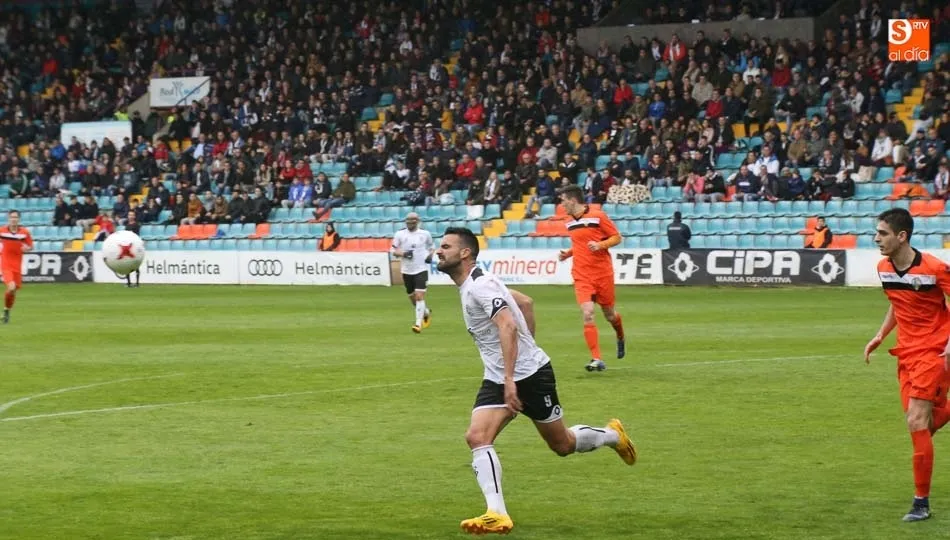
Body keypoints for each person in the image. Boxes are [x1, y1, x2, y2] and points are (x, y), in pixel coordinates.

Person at [435, 227, 637, 535]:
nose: (439, 251)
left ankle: (612, 435)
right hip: (502, 377)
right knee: (477, 436)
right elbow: (526, 303)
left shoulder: (480, 286)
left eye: (446, 246)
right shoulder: (478, 282)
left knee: (562, 444)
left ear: (465, 253)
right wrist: (516, 363)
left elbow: (507, 325)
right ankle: (496, 513)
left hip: (528, 376)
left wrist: (513, 376)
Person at [864, 208, 950, 522]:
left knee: (916, 421)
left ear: (902, 236)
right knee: (924, 424)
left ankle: (921, 503)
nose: (876, 239)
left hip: (935, 352)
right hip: (907, 353)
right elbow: (898, 305)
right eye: (876, 233)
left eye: (883, 233)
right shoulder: (883, 268)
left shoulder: (933, 267)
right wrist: (880, 335)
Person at [556, 185, 626, 372]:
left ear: (572, 200)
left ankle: (620, 335)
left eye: (563, 200)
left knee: (610, 315)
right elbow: (579, 245)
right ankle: (596, 358)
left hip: (602, 274)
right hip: (581, 274)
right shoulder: (569, 221)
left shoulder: (598, 216)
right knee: (587, 313)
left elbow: (617, 238)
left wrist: (600, 245)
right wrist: (568, 254)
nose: (561, 204)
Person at [391, 212, 435, 333]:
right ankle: (425, 312)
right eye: (408, 221)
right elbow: (393, 250)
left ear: (417, 221)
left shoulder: (425, 234)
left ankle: (418, 324)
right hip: (406, 270)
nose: (410, 223)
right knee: (412, 297)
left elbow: (432, 246)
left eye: (413, 221)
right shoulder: (400, 234)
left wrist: (430, 255)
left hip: (421, 269)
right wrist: (404, 254)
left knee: (419, 295)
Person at [0, 210, 34, 323]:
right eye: (11, 217)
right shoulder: (2, 230)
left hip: (17, 265)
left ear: (19, 219)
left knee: (13, 291)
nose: (13, 219)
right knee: (11, 286)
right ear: (8, 219)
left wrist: (27, 248)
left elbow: (31, 246)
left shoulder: (24, 232)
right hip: (5, 264)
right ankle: (6, 311)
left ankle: (6, 310)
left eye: (15, 217)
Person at [123, 213, 142, 288]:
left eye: (132, 215)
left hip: (134, 246)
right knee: (127, 264)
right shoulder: (127, 226)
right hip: (127, 247)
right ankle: (129, 282)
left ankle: (137, 283)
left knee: (136, 265)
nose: (131, 216)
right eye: (129, 215)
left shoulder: (136, 225)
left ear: (134, 216)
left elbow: (137, 236)